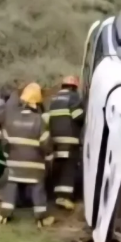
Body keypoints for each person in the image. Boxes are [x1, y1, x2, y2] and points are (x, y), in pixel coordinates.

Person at [0, 83, 55, 227]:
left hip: (14, 163)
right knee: (37, 188)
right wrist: (49, 158)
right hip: (35, 164)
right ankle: (41, 218)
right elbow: (45, 143)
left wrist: (8, 157)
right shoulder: (39, 120)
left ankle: (4, 215)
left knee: (11, 185)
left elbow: (4, 142)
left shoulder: (11, 119)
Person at [47, 75, 85, 210]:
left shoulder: (54, 99)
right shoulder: (73, 98)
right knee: (69, 168)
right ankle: (65, 197)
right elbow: (78, 116)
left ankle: (57, 195)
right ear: (74, 87)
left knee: (59, 166)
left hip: (55, 139)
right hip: (70, 140)